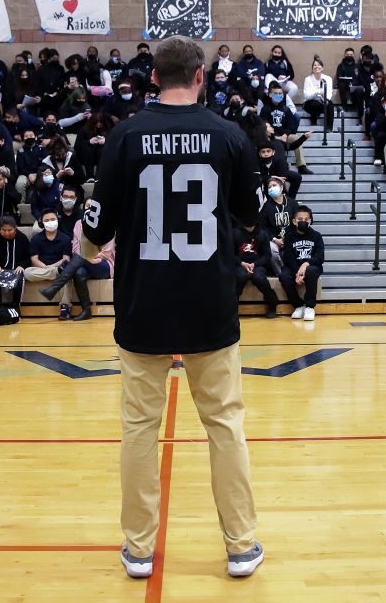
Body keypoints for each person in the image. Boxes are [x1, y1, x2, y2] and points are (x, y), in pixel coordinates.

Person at [78, 36, 263, 579]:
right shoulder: (229, 136)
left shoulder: (125, 135)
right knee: (225, 424)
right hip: (210, 302)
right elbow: (250, 219)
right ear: (201, 75)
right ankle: (241, 545)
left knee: (139, 427)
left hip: (143, 303)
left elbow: (96, 228)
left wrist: (90, 250)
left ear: (152, 77)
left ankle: (138, 549)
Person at [277, 205, 325, 320]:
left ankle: (309, 307)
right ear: (294, 221)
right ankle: (298, 305)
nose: (303, 222)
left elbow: (320, 257)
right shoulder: (288, 237)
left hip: (311, 266)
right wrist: (297, 272)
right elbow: (288, 257)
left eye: (305, 219)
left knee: (311, 271)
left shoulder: (317, 236)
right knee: (284, 276)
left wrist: (306, 264)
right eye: (300, 219)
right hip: (293, 266)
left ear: (310, 221)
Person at [24, 209, 73, 318]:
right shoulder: (36, 239)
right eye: (47, 220)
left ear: (57, 220)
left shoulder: (65, 238)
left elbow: (66, 259)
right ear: (42, 223)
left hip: (60, 267)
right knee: (27, 272)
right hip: (42, 268)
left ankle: (65, 307)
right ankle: (56, 272)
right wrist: (48, 268)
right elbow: (34, 259)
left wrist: (53, 267)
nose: (50, 222)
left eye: (52, 219)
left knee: (67, 274)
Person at [234, 215, 278, 317]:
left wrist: (255, 264)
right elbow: (229, 254)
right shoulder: (234, 233)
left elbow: (267, 256)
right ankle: (233, 307)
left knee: (259, 278)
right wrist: (242, 263)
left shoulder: (263, 234)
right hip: (239, 264)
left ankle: (272, 302)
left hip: (257, 265)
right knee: (240, 277)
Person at [0, 215, 30, 310]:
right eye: (4, 230)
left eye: (10, 230)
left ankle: (16, 307)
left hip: (16, 269)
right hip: (0, 269)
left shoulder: (22, 238)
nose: (7, 233)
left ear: (15, 228)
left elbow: (28, 256)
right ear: (0, 229)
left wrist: (22, 265)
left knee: (19, 280)